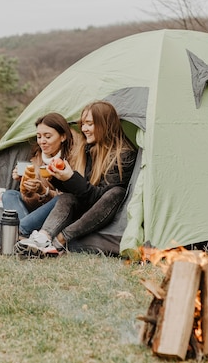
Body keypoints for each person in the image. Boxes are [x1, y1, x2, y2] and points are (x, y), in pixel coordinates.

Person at [15, 100, 137, 258]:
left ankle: (60, 240)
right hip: (85, 208)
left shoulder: (124, 155)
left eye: (89, 124)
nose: (84, 129)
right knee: (66, 197)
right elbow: (82, 194)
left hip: (104, 212)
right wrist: (59, 178)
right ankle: (43, 238)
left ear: (105, 124)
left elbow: (100, 197)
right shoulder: (89, 150)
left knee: (117, 192)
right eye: (83, 124)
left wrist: (71, 177)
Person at [2, 112, 77, 238]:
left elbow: (71, 200)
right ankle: (25, 234)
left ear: (63, 136)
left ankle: (16, 232)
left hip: (58, 213)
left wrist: (44, 191)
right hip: (36, 213)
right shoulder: (36, 160)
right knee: (9, 195)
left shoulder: (73, 158)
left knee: (62, 199)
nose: (42, 141)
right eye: (39, 136)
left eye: (47, 137)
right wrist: (26, 187)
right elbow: (31, 203)